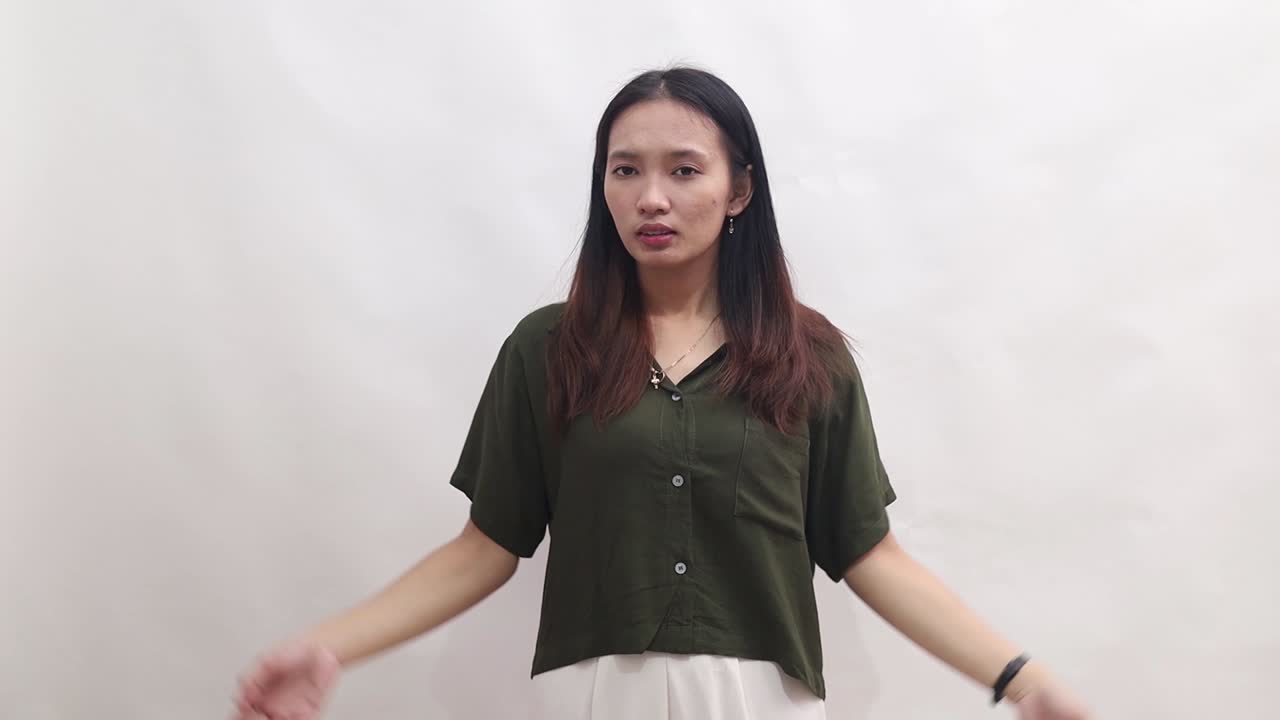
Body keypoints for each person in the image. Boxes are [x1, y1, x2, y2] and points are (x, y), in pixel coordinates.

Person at [230, 66, 1091, 720]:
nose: (650, 197)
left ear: (739, 190)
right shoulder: (548, 348)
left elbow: (872, 556)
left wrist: (1019, 678)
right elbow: (485, 547)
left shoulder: (809, 357)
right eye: (624, 170)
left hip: (762, 697)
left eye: (684, 170)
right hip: (594, 691)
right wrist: (329, 645)